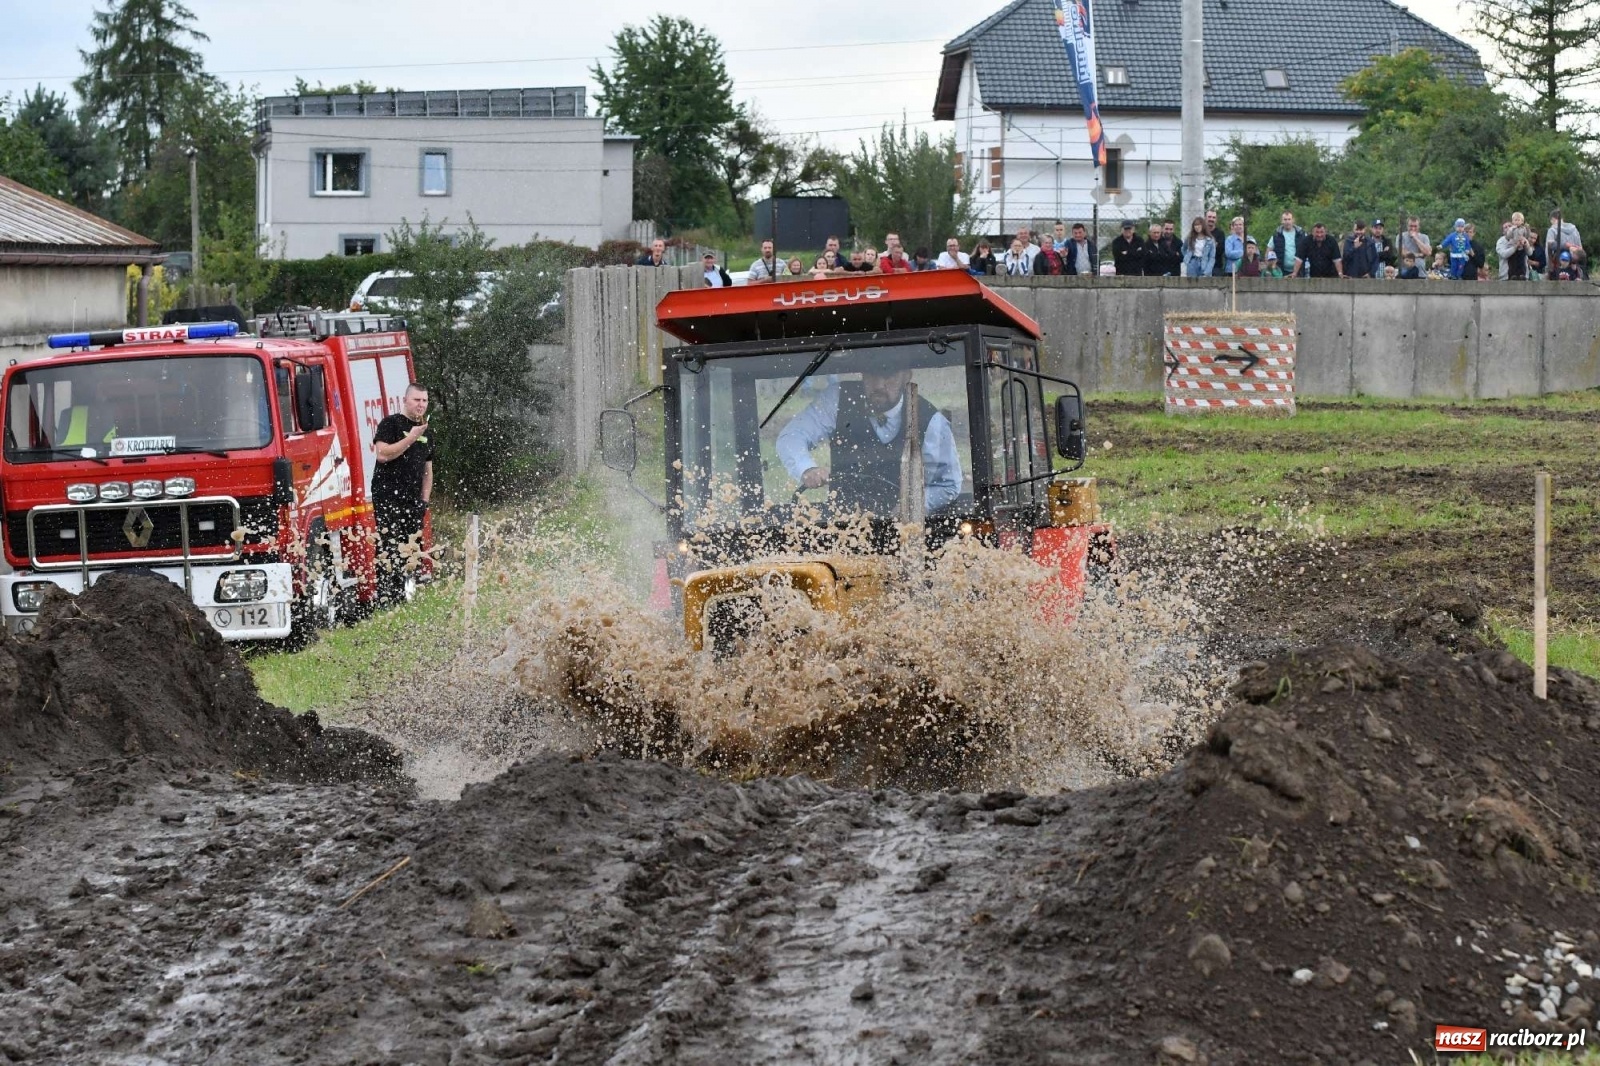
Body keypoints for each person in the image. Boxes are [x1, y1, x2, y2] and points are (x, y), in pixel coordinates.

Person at [776, 368, 961, 517]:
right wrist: (806, 468)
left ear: (906, 376)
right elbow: (792, 436)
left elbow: (949, 484)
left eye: (889, 375)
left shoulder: (931, 419)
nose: (879, 385)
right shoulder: (838, 398)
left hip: (905, 530)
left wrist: (913, 505)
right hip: (841, 527)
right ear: (863, 374)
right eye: (872, 375)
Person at [371, 383, 434, 607]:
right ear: (405, 401)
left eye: (424, 401)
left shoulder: (427, 431)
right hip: (388, 496)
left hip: (413, 500)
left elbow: (428, 472)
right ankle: (386, 597)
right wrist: (411, 438)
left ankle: (408, 595)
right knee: (389, 547)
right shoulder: (391, 424)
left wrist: (424, 501)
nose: (421, 405)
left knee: (412, 548)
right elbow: (382, 455)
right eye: (417, 400)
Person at [1545, 213, 1584, 280]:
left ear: (1552, 219)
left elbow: (1549, 247)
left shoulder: (1552, 230)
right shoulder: (1575, 230)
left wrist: (1548, 267)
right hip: (1573, 266)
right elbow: (1580, 249)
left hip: (1557, 265)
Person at [1270, 211, 1307, 278]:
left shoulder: (1302, 234)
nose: (1287, 222)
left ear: (1293, 220)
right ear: (1281, 221)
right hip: (1281, 271)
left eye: (1289, 219)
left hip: (1300, 271)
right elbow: (1268, 251)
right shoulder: (1276, 235)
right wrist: (1270, 267)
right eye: (1285, 219)